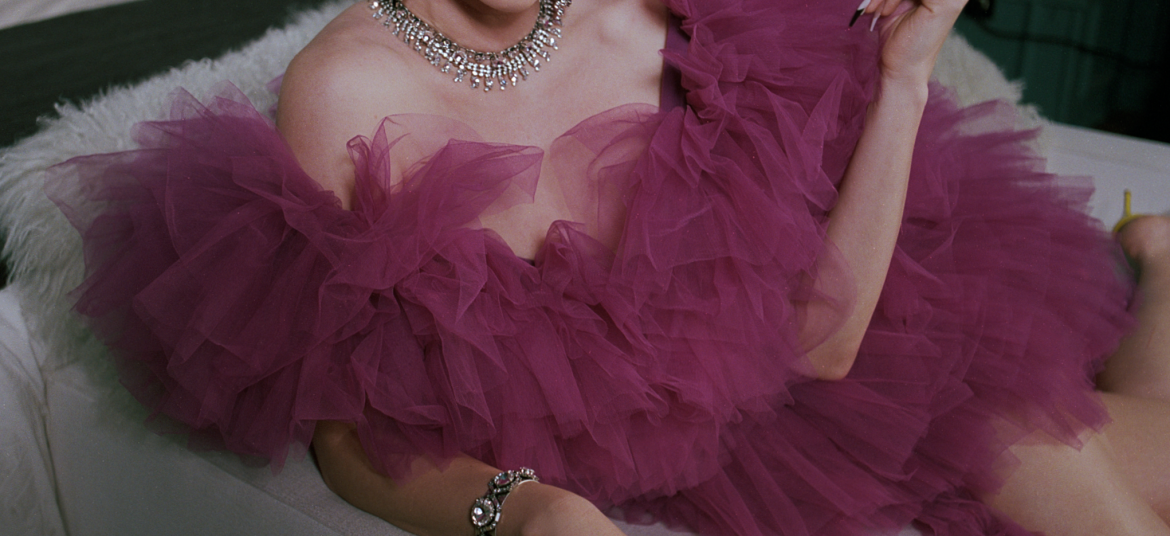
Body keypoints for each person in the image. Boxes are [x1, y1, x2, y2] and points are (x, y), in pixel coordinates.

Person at [46, 0, 1170, 534]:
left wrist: (908, 77)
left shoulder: (667, 19)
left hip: (863, 366)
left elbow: (821, 348)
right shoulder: (343, 95)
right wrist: (525, 508)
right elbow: (348, 427)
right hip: (722, 454)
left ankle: (1160, 268)